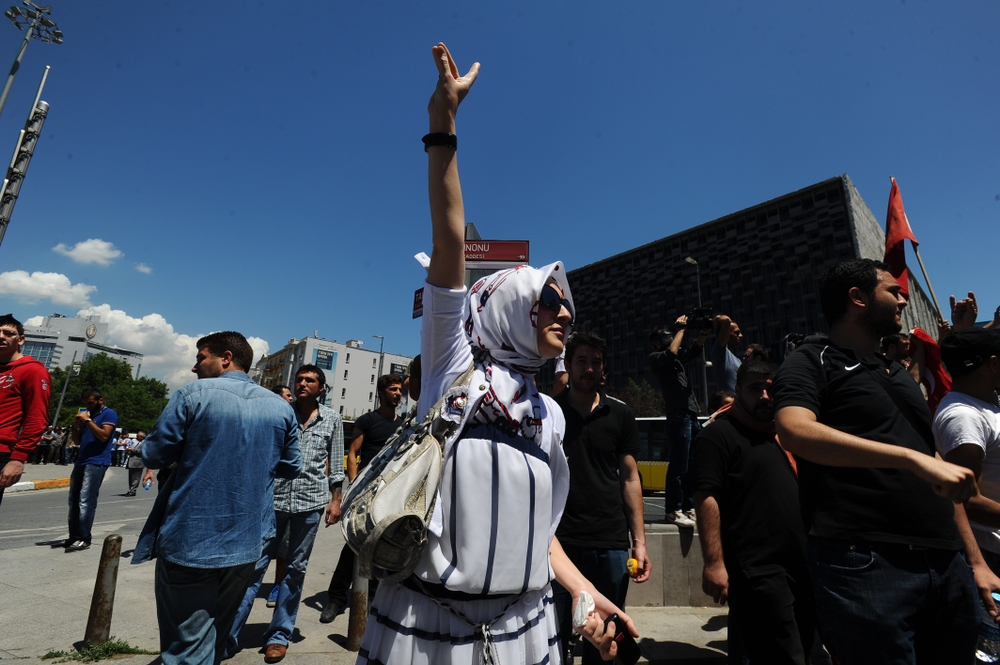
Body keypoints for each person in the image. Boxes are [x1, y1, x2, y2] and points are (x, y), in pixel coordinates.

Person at [355, 43, 636, 665]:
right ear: (508, 309)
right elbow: (450, 237)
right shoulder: (453, 365)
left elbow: (542, 537)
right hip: (425, 629)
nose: (565, 314)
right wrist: (442, 125)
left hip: (527, 630)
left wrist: (586, 594)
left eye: (566, 305)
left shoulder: (550, 415)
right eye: (547, 302)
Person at [772, 258, 991, 663]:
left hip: (946, 562)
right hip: (865, 562)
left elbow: (937, 469)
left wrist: (974, 560)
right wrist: (910, 459)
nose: (903, 299)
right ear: (857, 298)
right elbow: (794, 429)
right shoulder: (811, 360)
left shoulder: (896, 373)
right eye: (893, 291)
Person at [132, 331, 300, 665]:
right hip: (247, 542)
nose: (195, 367)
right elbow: (291, 466)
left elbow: (153, 453)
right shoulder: (280, 409)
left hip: (190, 542)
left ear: (226, 357)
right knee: (217, 637)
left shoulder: (191, 395)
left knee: (187, 649)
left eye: (200, 358)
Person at [694, 360, 815, 664]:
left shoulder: (785, 435)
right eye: (754, 388)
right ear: (737, 391)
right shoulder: (717, 435)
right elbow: (706, 497)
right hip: (757, 572)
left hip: (804, 567)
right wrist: (714, 562)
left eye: (770, 388)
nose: (764, 395)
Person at [229, 364, 342, 662]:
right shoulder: (278, 412)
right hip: (272, 502)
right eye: (300, 379)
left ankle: (279, 634)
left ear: (321, 387)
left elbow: (336, 464)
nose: (303, 383)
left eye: (310, 380)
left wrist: (336, 500)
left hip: (310, 503)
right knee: (253, 567)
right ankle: (228, 635)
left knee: (296, 569)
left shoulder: (332, 418)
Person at [553, 331, 650, 665]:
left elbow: (630, 478)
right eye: (582, 361)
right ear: (568, 365)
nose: (589, 369)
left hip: (608, 541)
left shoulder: (621, 414)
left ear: (604, 369)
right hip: (557, 544)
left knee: (605, 639)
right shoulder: (549, 413)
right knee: (553, 635)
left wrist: (639, 541)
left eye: (596, 362)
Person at [320, 374, 403, 623]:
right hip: (365, 493)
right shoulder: (368, 420)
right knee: (354, 545)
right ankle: (336, 598)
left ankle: (373, 600)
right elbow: (353, 453)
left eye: (400, 389)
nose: (398, 393)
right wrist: (355, 487)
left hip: (391, 493)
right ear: (382, 392)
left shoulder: (404, 424)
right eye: (393, 389)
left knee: (382, 545)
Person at [934, 327, 1000, 575]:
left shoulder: (984, 403)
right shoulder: (963, 416)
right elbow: (968, 500)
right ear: (993, 363)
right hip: (992, 552)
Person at [649, 317, 709, 527]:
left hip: (691, 414)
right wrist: (680, 331)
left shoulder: (675, 358)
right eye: (664, 336)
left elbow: (693, 352)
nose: (668, 338)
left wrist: (703, 332)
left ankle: (688, 507)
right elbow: (672, 352)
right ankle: (673, 509)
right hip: (678, 416)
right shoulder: (657, 357)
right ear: (656, 342)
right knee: (679, 465)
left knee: (692, 465)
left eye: (669, 335)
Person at [0, 314, 51, 508]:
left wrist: (18, 458)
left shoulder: (33, 371)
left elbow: (37, 418)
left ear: (20, 339)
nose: (1, 336)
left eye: (8, 333)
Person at [57, 388, 117, 552]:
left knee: (86, 500)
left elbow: (104, 436)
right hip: (81, 461)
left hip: (97, 462)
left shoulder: (109, 414)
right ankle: (73, 536)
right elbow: (77, 441)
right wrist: (76, 427)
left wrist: (89, 421)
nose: (88, 406)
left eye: (90, 403)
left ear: (100, 400)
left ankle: (84, 538)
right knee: (74, 500)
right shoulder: (87, 416)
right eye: (85, 404)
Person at [711, 314, 744, 392]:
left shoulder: (738, 360)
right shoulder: (720, 353)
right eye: (736, 333)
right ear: (726, 335)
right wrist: (715, 321)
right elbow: (725, 320)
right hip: (729, 403)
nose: (741, 335)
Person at [124, 432, 145, 496]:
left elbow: (141, 451)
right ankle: (131, 489)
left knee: (136, 477)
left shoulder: (145, 443)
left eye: (138, 436)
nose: (136, 437)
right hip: (132, 461)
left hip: (138, 462)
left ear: (142, 437)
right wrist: (128, 451)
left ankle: (133, 490)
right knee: (131, 477)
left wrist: (131, 449)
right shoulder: (134, 442)